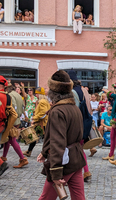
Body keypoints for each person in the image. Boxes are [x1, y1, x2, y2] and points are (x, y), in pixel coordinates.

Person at [37, 70, 86, 200]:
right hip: (76, 159)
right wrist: (45, 152)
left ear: (53, 92)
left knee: (46, 198)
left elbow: (58, 142)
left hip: (64, 163)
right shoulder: (74, 107)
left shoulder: (57, 111)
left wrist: (56, 173)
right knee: (79, 198)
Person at [68, 70, 94, 181]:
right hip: (85, 123)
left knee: (73, 149)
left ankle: (75, 174)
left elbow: (73, 111)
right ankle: (85, 171)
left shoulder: (73, 92)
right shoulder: (84, 91)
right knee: (79, 149)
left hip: (77, 125)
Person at [1, 82, 28, 168]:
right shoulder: (18, 95)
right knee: (7, 140)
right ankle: (4, 157)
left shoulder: (10, 95)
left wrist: (9, 121)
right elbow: (23, 106)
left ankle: (23, 158)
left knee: (12, 140)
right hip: (17, 119)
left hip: (12, 121)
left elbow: (14, 108)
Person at [23, 87, 50, 157]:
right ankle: (29, 151)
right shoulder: (43, 101)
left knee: (45, 139)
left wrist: (34, 118)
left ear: (40, 94)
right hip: (41, 123)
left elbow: (43, 113)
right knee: (34, 137)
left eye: (37, 93)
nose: (35, 95)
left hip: (42, 124)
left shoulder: (42, 102)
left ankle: (47, 153)